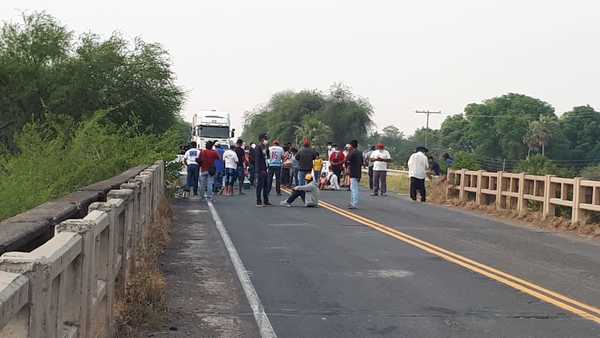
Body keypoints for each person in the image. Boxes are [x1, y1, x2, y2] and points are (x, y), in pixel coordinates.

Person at [254, 133, 271, 206]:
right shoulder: (258, 147)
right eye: (265, 139)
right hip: (261, 169)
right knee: (260, 186)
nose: (267, 140)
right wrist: (260, 170)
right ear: (262, 139)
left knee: (266, 186)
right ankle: (258, 201)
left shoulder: (265, 147)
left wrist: (267, 149)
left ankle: (266, 200)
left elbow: (267, 157)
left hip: (266, 168)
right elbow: (257, 160)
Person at [346, 140, 362, 209]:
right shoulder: (360, 152)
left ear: (351, 146)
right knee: (354, 187)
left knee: (354, 188)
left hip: (353, 171)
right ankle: (353, 202)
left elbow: (347, 159)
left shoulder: (352, 152)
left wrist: (349, 151)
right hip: (358, 171)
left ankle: (354, 203)